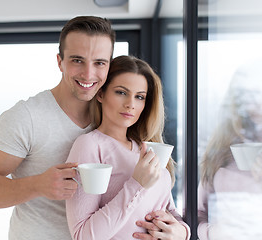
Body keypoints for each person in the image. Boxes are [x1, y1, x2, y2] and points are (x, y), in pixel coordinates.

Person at [0, 16, 116, 240]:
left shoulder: (115, 115)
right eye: (77, 60)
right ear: (59, 62)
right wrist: (37, 185)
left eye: (99, 63)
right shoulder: (27, 117)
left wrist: (179, 228)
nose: (88, 74)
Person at [65, 55, 190, 240]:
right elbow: (83, 235)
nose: (130, 104)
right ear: (101, 94)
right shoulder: (90, 146)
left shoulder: (147, 148)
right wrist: (137, 184)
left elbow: (168, 209)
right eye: (121, 92)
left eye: (139, 97)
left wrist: (183, 232)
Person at [197, 59, 262, 240]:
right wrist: (212, 233)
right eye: (248, 95)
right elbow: (195, 214)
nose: (256, 103)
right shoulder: (221, 149)